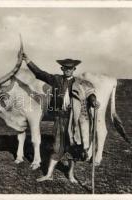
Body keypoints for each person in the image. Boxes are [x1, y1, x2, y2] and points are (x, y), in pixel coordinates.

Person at [21, 52, 99, 182]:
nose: (68, 70)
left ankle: (71, 174)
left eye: (70, 68)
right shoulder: (56, 79)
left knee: (74, 146)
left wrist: (94, 101)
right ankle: (49, 175)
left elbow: (90, 94)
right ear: (62, 69)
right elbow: (40, 74)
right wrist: (28, 61)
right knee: (57, 146)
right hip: (59, 118)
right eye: (65, 68)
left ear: (74, 69)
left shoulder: (79, 83)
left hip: (74, 120)